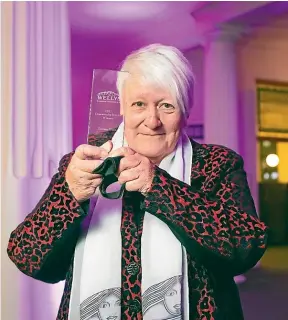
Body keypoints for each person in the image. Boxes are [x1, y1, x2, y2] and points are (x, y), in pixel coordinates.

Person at [7, 44, 268, 320]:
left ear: (186, 110)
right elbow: (29, 258)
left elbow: (244, 249)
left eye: (167, 105)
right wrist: (69, 194)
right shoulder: (86, 164)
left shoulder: (216, 164)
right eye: (139, 104)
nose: (152, 121)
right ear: (122, 105)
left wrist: (158, 186)